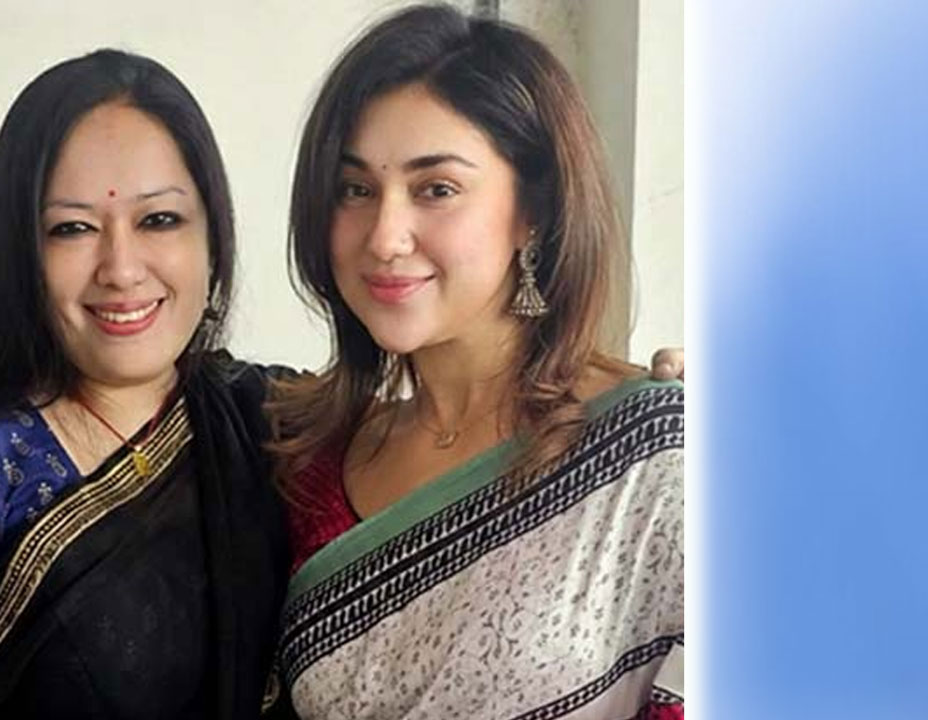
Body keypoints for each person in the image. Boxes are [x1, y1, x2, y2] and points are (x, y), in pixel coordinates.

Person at [267, 5, 684, 719]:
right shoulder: (312, 462)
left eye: (437, 189)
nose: (385, 237)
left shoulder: (652, 455)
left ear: (534, 211)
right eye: (355, 190)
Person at [0, 50, 290, 719]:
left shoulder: (273, 424)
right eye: (71, 229)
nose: (121, 269)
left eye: (159, 220)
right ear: (20, 254)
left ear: (213, 238)